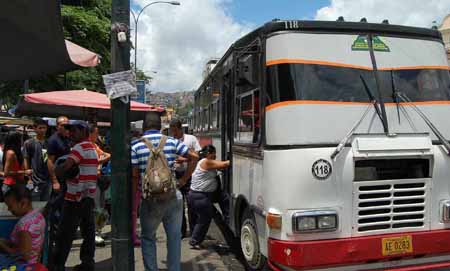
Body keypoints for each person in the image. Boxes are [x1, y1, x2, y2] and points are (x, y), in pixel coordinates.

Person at [131, 113, 198, 271]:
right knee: (174, 238)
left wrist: (134, 201)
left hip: (150, 200)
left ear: (144, 127)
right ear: (160, 127)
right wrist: (183, 180)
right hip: (172, 196)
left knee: (148, 238)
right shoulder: (171, 142)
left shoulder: (136, 146)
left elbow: (134, 177)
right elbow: (194, 156)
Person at [53, 121, 98, 271]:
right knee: (88, 231)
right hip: (88, 197)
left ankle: (58, 265)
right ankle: (87, 263)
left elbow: (66, 166)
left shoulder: (79, 148)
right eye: (69, 130)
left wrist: (58, 170)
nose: (71, 133)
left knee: (65, 233)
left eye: (74, 130)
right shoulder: (91, 146)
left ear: (83, 131)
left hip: (75, 197)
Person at [188, 144, 230, 248]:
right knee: (204, 219)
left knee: (203, 219)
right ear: (208, 153)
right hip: (200, 197)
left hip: (197, 196)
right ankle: (194, 241)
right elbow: (225, 164)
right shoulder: (206, 161)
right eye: (214, 154)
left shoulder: (204, 162)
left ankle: (196, 240)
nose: (215, 156)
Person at [169, 119, 201, 238]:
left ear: (180, 129)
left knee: (191, 204)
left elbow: (198, 155)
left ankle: (193, 232)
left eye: (175, 131)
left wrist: (184, 159)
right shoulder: (171, 141)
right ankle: (181, 231)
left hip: (190, 174)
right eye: (172, 132)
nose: (174, 134)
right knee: (178, 205)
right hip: (176, 174)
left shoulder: (191, 139)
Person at [0, 184, 46, 264]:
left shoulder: (24, 226)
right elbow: (24, 243)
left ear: (23, 203)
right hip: (34, 262)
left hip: (24, 266)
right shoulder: (38, 216)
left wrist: (3, 246)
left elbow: (23, 256)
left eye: (10, 206)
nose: (9, 209)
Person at [88, 124, 111, 246]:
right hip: (91, 181)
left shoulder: (95, 146)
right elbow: (97, 160)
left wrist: (100, 159)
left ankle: (99, 231)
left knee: (101, 206)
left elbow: (107, 155)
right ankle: (95, 233)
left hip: (99, 180)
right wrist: (100, 160)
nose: (97, 135)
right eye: (96, 133)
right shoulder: (87, 146)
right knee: (96, 207)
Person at [23, 118, 50, 201]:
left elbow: (47, 159)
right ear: (35, 128)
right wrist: (29, 177)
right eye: (40, 128)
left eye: (44, 128)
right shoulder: (29, 143)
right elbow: (26, 158)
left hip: (47, 180)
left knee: (45, 204)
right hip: (34, 181)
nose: (42, 130)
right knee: (34, 204)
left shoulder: (48, 143)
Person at [47, 116, 71, 194]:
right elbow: (50, 161)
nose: (65, 127)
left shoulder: (68, 138)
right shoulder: (53, 140)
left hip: (67, 176)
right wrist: (55, 181)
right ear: (57, 127)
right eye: (62, 125)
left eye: (67, 125)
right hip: (58, 177)